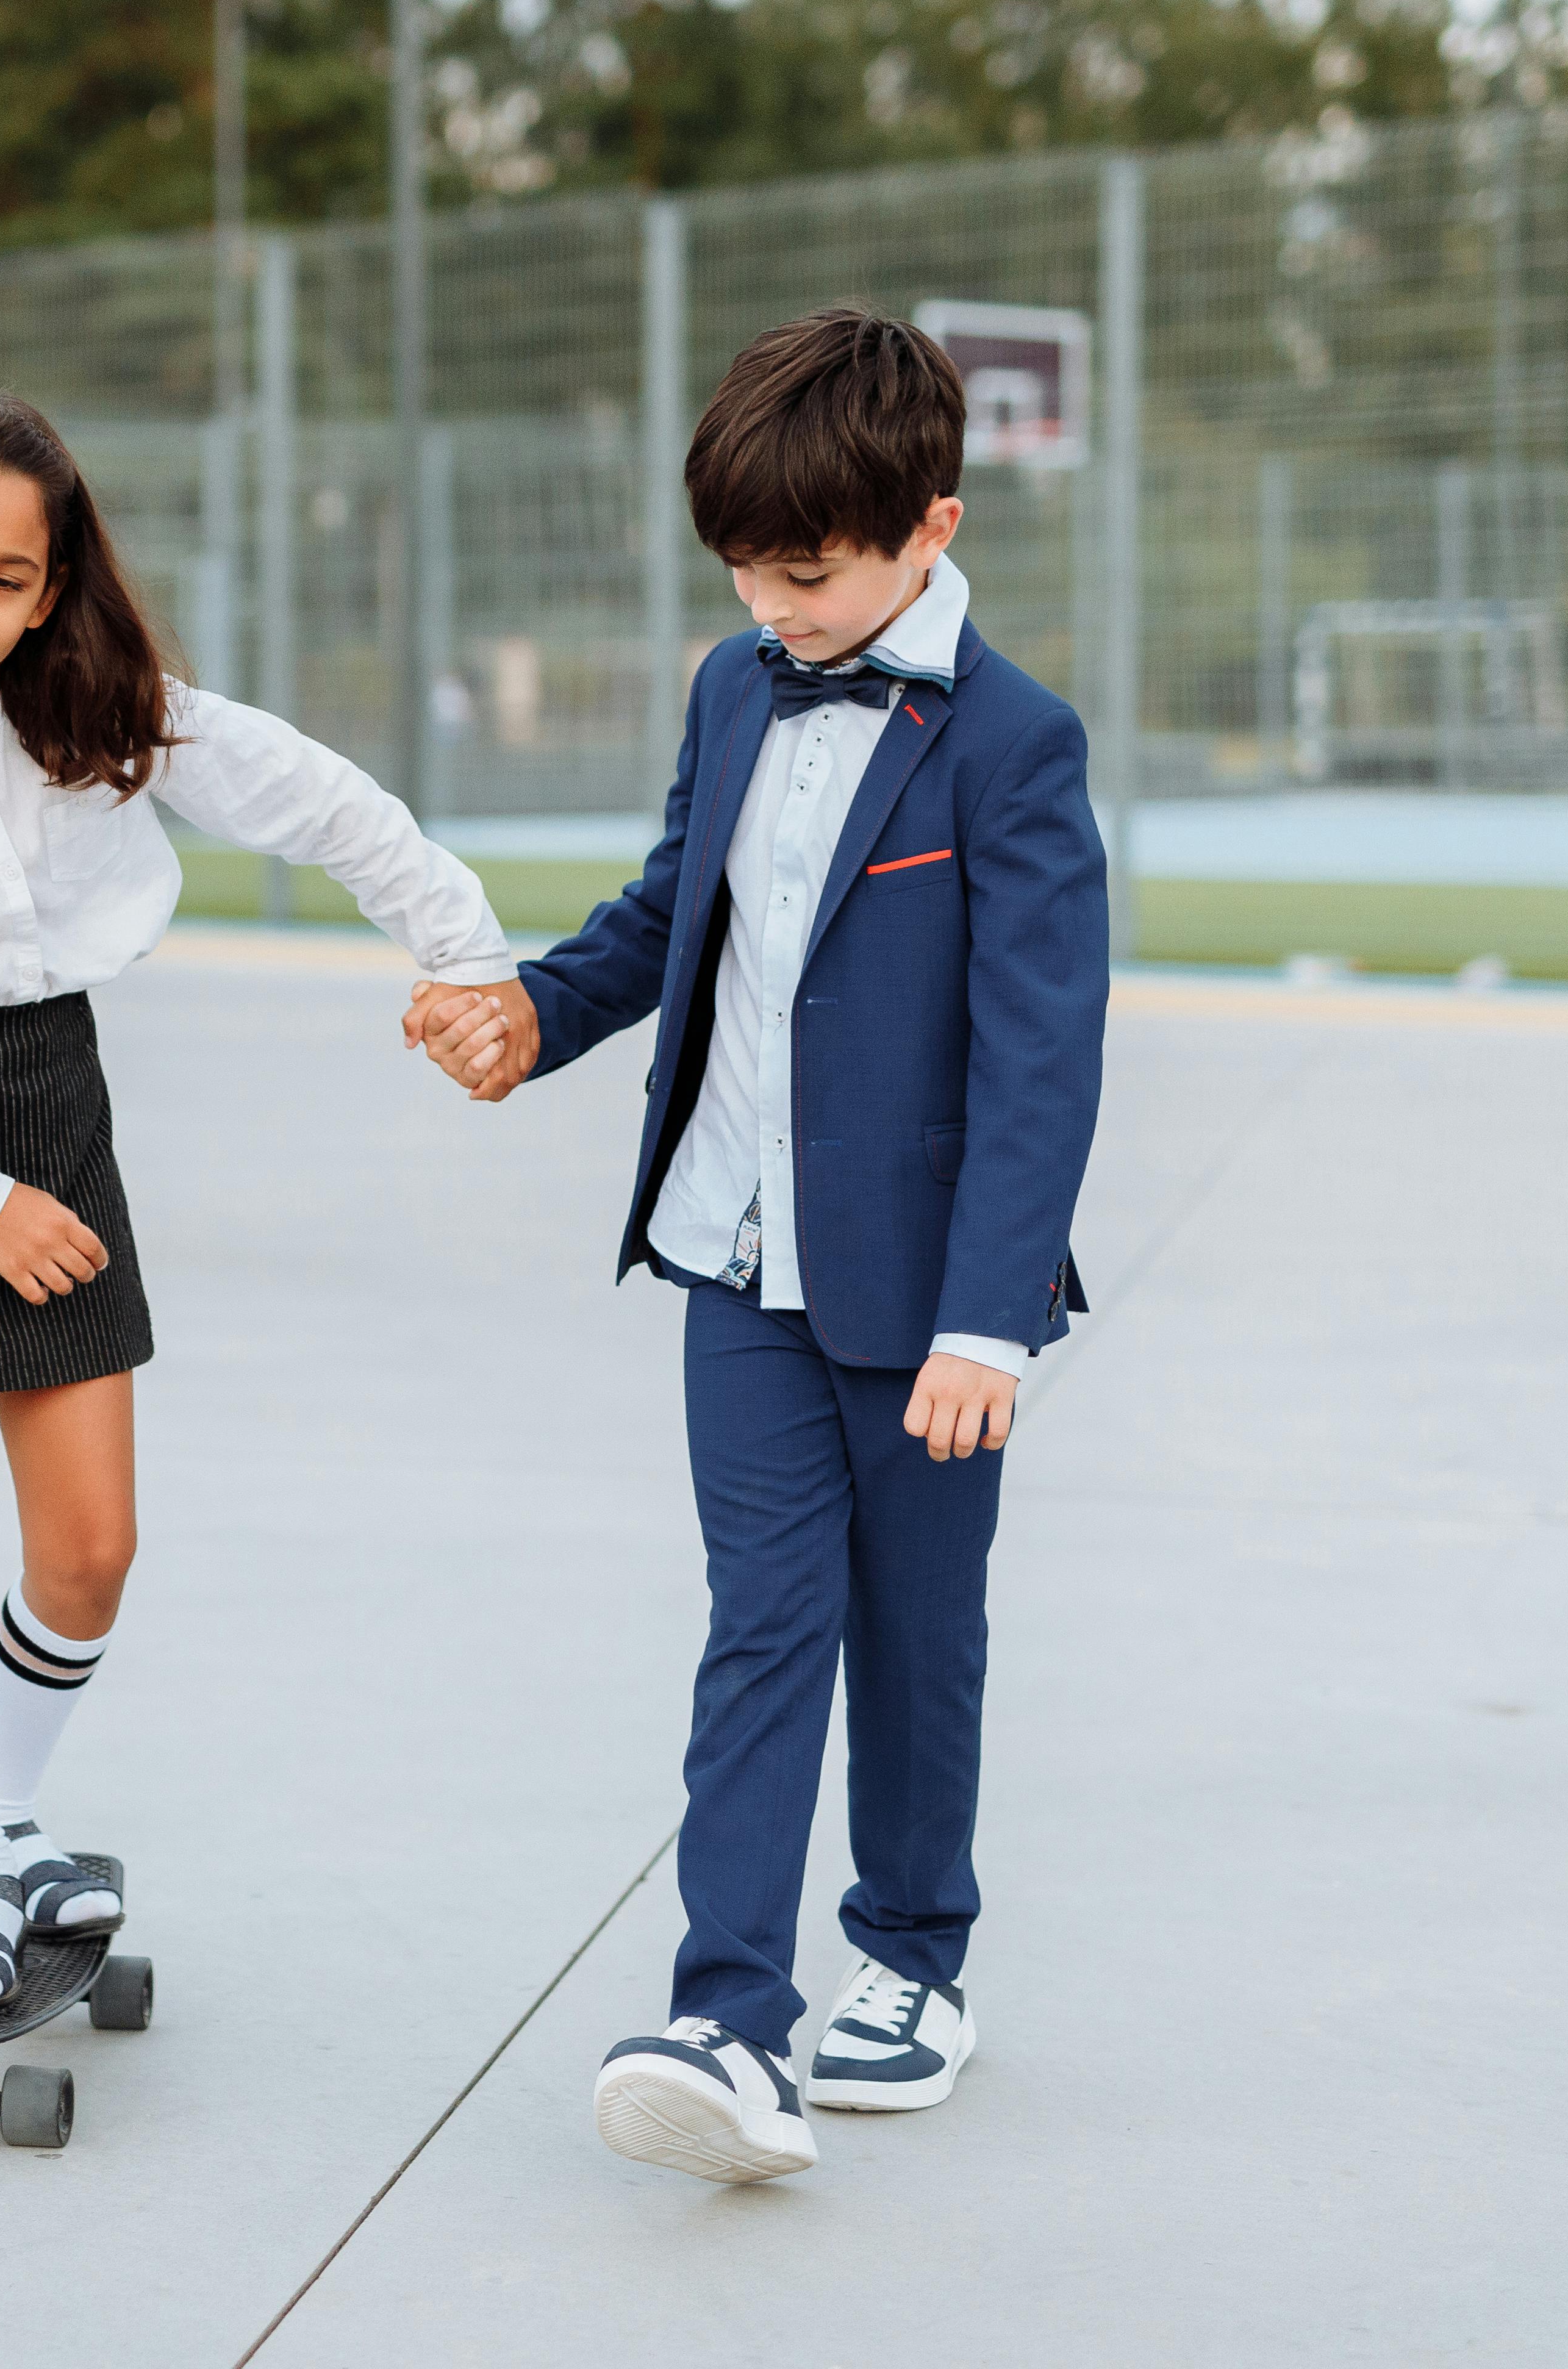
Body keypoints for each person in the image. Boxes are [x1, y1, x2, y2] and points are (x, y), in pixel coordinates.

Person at [0, 385, 524, 2020]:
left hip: (45, 1114)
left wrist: (467, 951)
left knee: (88, 1551)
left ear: (53, 588)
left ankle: (4, 1826)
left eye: (7, 581)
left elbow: (327, 807)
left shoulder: (107, 717)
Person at [404, 305, 1107, 2185]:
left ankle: (912, 1953)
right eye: (739, 566)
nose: (770, 603)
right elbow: (664, 916)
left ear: (930, 525)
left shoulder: (1015, 749)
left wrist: (990, 1319)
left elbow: (1041, 1054)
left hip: (923, 1300)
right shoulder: (734, 686)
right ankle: (724, 2014)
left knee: (912, 1631)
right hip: (730, 1261)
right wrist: (532, 1014)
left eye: (804, 571)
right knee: (762, 1624)